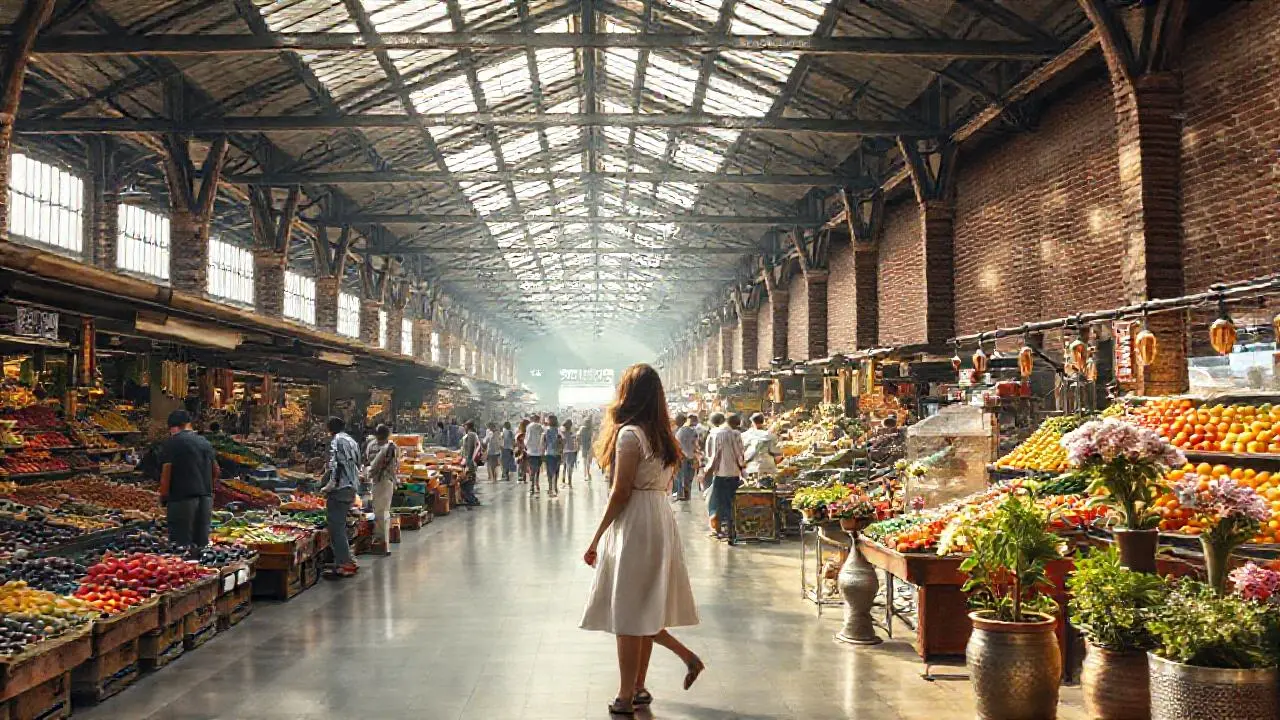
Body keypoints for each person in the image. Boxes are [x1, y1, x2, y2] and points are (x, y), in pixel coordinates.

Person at [580, 364, 703, 716]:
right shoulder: (664, 436)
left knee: (628, 610)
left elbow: (620, 493)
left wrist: (595, 537)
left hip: (635, 520)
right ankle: (640, 686)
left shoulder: (629, 435)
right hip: (659, 517)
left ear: (627, 394)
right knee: (644, 604)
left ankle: (625, 695)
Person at [159, 410, 218, 557]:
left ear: (172, 427)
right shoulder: (204, 442)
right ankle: (203, 573)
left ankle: (187, 577)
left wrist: (163, 496)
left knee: (181, 547)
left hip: (182, 500)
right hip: (205, 499)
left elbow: (167, 470)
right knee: (201, 546)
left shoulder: (172, 443)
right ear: (188, 424)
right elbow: (216, 471)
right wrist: (206, 487)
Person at [321, 416, 362, 577]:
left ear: (330, 428)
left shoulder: (336, 441)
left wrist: (329, 486)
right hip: (351, 487)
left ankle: (345, 564)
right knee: (341, 526)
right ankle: (346, 560)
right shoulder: (351, 441)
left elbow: (336, 466)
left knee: (336, 528)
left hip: (340, 489)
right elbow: (357, 463)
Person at [703, 412, 745, 539]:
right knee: (730, 501)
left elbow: (714, 455)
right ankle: (730, 528)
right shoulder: (736, 434)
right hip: (734, 473)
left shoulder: (715, 433)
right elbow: (740, 454)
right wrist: (742, 468)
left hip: (720, 473)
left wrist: (708, 469)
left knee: (716, 502)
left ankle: (718, 529)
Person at [364, 424, 398, 556]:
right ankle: (384, 544)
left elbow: (367, 460)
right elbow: (391, 464)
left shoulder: (370, 445)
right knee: (383, 512)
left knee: (379, 510)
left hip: (375, 481)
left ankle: (380, 540)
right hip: (384, 480)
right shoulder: (390, 447)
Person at [741, 412, 781, 478]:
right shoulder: (771, 436)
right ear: (763, 421)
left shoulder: (745, 435)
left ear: (752, 422)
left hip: (751, 467)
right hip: (768, 466)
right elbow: (777, 454)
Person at [673, 413, 698, 502]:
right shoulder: (693, 431)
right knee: (688, 477)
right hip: (690, 456)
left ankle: (681, 495)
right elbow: (696, 444)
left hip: (681, 458)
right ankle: (686, 495)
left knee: (681, 477)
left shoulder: (676, 431)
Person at [459, 421, 482, 506]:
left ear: (467, 426)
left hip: (469, 462)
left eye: (464, 425)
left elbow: (470, 449)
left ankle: (472, 500)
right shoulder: (471, 434)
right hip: (469, 461)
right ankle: (472, 499)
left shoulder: (471, 435)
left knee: (467, 482)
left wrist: (468, 463)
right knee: (467, 482)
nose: (463, 427)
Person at [526, 413, 545, 495]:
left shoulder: (529, 427)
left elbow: (528, 438)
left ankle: (532, 486)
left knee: (531, 469)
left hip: (531, 451)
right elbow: (543, 440)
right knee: (537, 469)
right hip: (539, 452)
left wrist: (527, 446)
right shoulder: (540, 427)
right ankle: (537, 483)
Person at [543, 414, 562, 497]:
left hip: (549, 453)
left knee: (550, 472)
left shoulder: (547, 431)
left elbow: (546, 443)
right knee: (556, 471)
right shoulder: (559, 430)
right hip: (557, 453)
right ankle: (555, 487)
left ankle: (551, 488)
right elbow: (562, 442)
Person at [562, 419, 579, 488]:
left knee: (564, 466)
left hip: (564, 451)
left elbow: (562, 443)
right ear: (571, 425)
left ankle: (563, 479)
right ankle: (569, 482)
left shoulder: (562, 433)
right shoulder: (573, 434)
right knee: (570, 467)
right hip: (572, 452)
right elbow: (576, 444)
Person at [515, 418, 529, 483]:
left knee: (521, 465)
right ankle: (522, 478)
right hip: (523, 450)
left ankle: (520, 477)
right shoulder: (522, 434)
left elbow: (517, 443)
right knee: (523, 465)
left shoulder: (520, 434)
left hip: (521, 450)